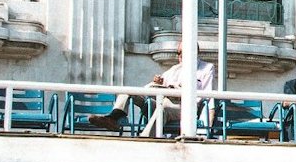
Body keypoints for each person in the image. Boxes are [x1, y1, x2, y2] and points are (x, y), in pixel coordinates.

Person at [88, 42, 216, 135]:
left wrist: (208, 126)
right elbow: (157, 84)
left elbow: (208, 96)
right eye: (178, 53)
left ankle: (145, 139)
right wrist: (158, 82)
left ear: (194, 52)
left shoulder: (206, 68)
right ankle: (113, 118)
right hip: (163, 99)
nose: (180, 56)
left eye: (182, 52)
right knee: (129, 92)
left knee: (163, 110)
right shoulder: (175, 69)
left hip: (183, 107)